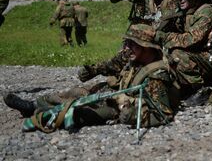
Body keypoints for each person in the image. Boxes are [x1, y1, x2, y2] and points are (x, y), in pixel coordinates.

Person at [3, 24, 180, 130]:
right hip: (114, 93)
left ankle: (39, 116)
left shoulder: (157, 77)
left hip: (119, 106)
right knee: (75, 93)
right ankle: (32, 106)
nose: (126, 48)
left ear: (146, 47)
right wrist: (93, 72)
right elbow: (113, 65)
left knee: (80, 113)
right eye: (127, 43)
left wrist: (131, 114)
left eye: (132, 44)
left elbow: (163, 115)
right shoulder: (135, 57)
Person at [78, 0, 180, 82]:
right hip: (142, 45)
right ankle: (97, 70)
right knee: (126, 60)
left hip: (163, 47)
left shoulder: (176, 0)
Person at [155, 0, 212, 97]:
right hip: (197, 55)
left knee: (178, 54)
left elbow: (191, 39)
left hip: (210, 57)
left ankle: (200, 89)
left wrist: (164, 37)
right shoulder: (186, 12)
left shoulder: (206, 12)